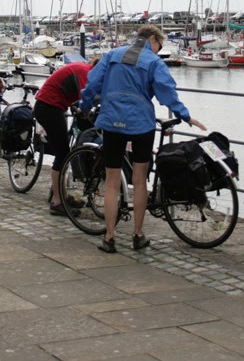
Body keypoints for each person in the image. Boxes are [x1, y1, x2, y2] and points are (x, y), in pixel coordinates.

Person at [79, 24, 206, 253]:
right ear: (152, 39)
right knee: (139, 181)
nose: (160, 50)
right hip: (141, 124)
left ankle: (109, 238)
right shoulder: (153, 62)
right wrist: (185, 116)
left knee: (111, 182)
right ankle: (138, 235)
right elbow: (167, 92)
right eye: (161, 45)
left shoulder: (113, 55)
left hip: (112, 122)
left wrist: (85, 106)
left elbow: (92, 83)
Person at [34, 58, 96, 215]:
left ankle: (63, 195)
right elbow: (86, 98)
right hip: (49, 107)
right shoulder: (85, 72)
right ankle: (57, 202)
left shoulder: (83, 68)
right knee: (62, 154)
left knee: (63, 153)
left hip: (51, 106)